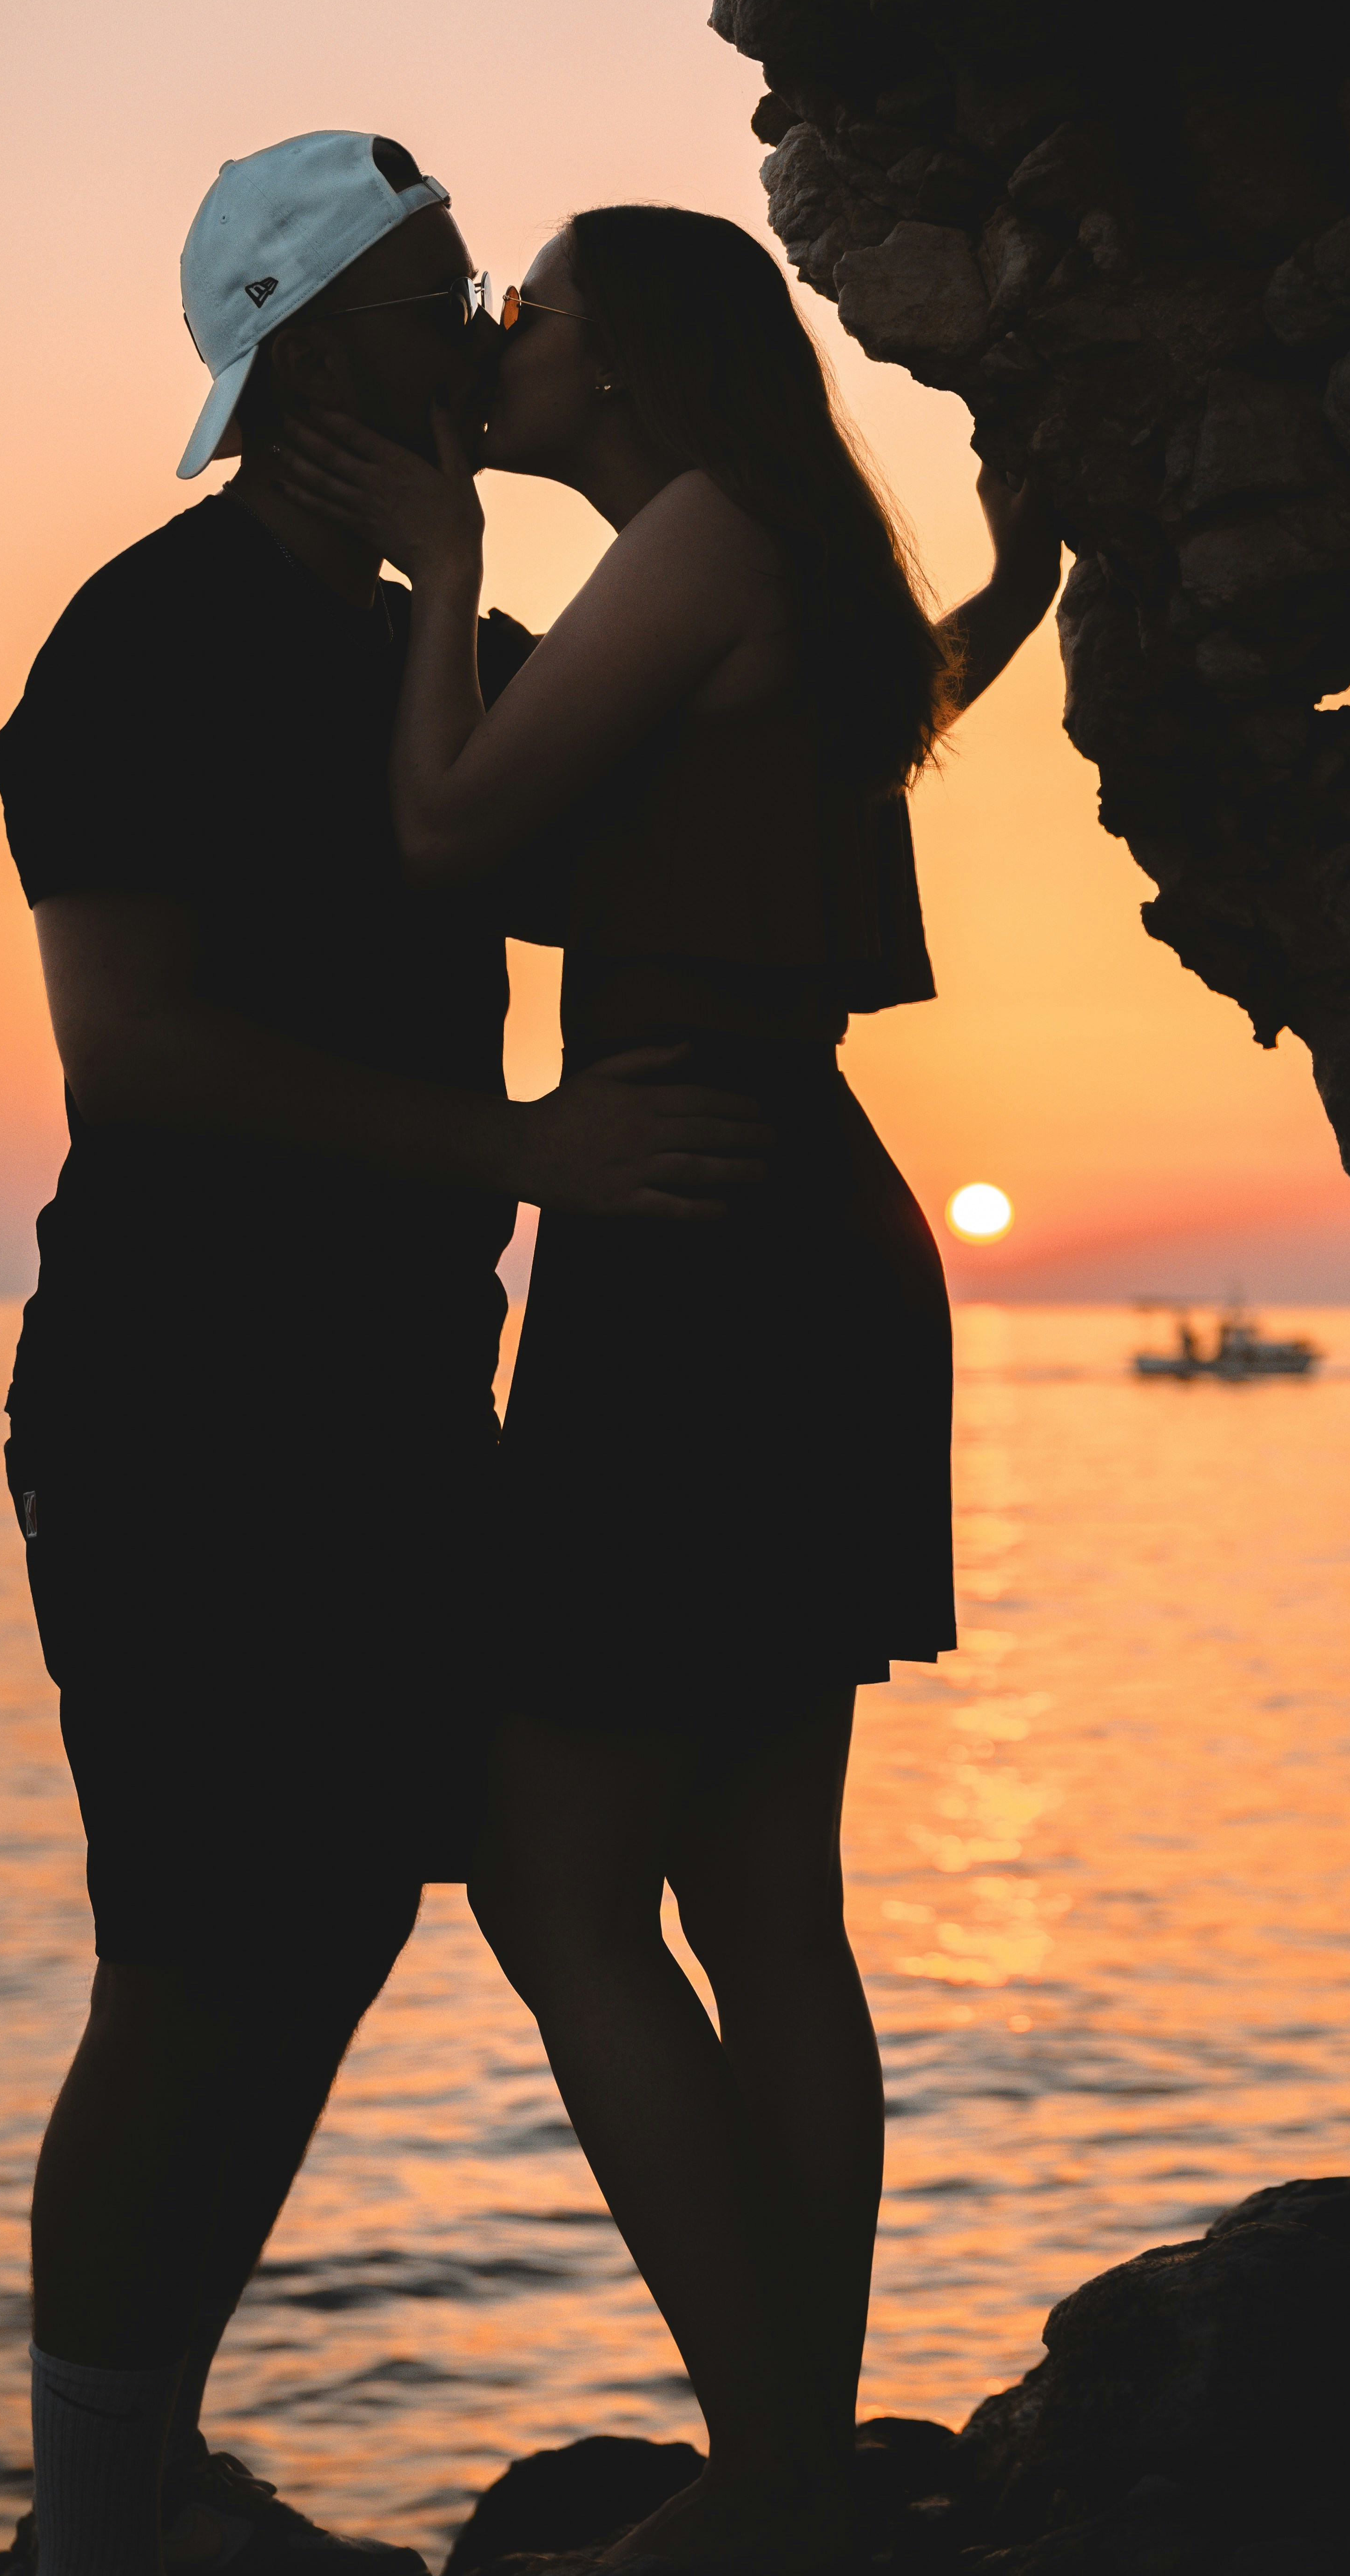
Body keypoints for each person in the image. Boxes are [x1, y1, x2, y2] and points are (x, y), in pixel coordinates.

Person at [0, 134, 768, 2576]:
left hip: (407, 1406)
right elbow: (132, 1045)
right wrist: (517, 1150)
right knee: (193, 1963)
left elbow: (721, 758)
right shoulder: (144, 642)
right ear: (316, 351)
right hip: (182, 1415)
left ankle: (145, 2474)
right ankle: (91, 2526)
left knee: (321, 1935)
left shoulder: (447, 647)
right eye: (444, 296)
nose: (487, 330)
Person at [272, 202, 1062, 2575]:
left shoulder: (700, 533)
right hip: (777, 1209)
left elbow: (447, 828)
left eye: (532, 309)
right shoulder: (746, 552)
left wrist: (436, 567)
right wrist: (1014, 589)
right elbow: (841, 731)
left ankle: (776, 2472)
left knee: (561, 1869)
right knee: (757, 1886)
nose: (495, 336)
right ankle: (787, 2467)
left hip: (695, 1230)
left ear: (625, 361)